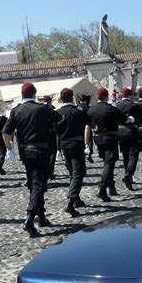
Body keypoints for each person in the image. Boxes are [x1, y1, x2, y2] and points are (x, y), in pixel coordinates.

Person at [2, 82, 62, 237]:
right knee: (38, 184)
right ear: (34, 94)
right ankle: (29, 217)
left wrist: (10, 149)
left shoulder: (16, 111)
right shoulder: (42, 108)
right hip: (40, 150)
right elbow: (59, 117)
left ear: (22, 95)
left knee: (34, 183)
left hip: (24, 152)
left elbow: (6, 132)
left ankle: (41, 216)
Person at [87, 87, 127, 201]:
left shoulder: (91, 110)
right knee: (109, 164)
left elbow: (88, 123)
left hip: (98, 139)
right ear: (106, 96)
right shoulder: (111, 109)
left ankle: (112, 187)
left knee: (107, 163)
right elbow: (123, 119)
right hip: (110, 138)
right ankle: (102, 187)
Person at [56, 88, 91, 217]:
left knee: (72, 172)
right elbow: (90, 124)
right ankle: (71, 201)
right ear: (72, 98)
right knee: (79, 173)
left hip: (63, 144)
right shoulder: (78, 112)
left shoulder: (58, 113)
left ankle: (76, 200)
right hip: (76, 144)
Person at [116, 87, 142, 190]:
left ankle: (128, 175)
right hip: (131, 131)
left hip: (120, 132)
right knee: (133, 155)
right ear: (130, 95)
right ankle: (128, 175)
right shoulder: (134, 105)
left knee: (125, 155)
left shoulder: (117, 105)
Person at [43, 95, 58, 180]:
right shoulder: (52, 108)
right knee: (52, 153)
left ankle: (47, 171)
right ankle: (50, 172)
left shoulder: (40, 108)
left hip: (43, 134)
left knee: (46, 154)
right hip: (51, 133)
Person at [77, 94, 94, 163]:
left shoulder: (77, 108)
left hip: (79, 127)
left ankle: (82, 154)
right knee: (89, 141)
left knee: (81, 142)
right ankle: (89, 154)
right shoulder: (89, 107)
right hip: (88, 126)